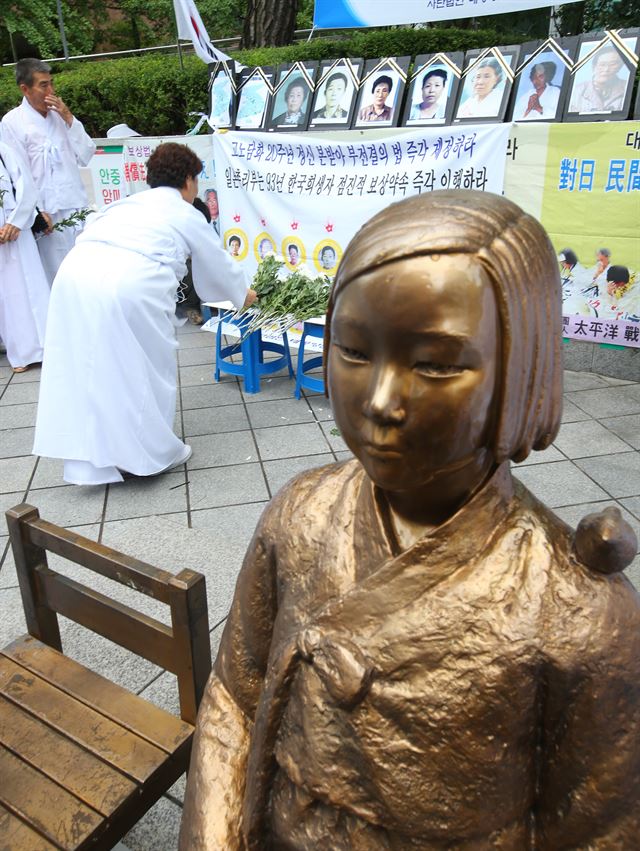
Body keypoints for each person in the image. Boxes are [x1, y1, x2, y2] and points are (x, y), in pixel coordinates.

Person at [180, 191, 640, 850]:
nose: (382, 399)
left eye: (434, 363)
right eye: (356, 351)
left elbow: (601, 828)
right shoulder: (299, 515)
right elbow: (233, 694)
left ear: (520, 369)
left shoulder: (576, 608)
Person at [33, 143, 256, 486]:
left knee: (90, 366)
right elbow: (219, 263)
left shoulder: (123, 204)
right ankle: (149, 454)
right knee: (143, 367)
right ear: (187, 179)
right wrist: (242, 294)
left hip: (75, 276)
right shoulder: (184, 212)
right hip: (129, 283)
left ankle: (93, 461)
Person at [1, 58, 96, 285]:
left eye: (51, 83)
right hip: (47, 211)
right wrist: (36, 211)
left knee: (87, 271)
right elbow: (17, 175)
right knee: (57, 276)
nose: (50, 91)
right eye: (43, 85)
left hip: (75, 202)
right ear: (25, 89)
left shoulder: (59, 115)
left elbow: (86, 153)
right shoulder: (12, 122)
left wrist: (69, 118)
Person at [0, 139, 50, 373]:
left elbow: (25, 186)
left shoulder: (4, 148)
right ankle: (20, 353)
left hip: (15, 227)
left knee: (31, 283)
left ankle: (47, 346)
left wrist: (16, 221)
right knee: (6, 297)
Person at [569, 46, 628, 113]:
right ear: (594, 66)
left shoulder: (627, 87)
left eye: (612, 64)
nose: (606, 69)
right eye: (602, 64)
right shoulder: (577, 91)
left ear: (620, 66)